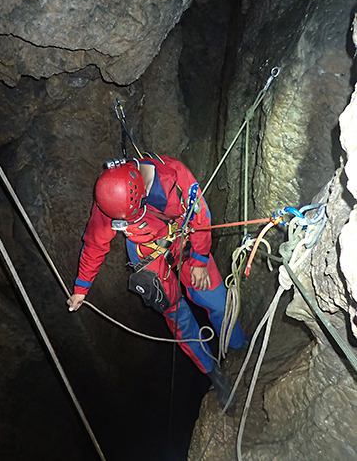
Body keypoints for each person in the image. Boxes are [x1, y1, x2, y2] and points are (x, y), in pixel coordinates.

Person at [68, 154, 246, 413]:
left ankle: (238, 343)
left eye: (128, 219)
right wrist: (81, 290)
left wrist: (198, 260)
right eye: (122, 223)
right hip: (146, 252)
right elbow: (95, 244)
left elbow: (200, 216)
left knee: (214, 297)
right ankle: (214, 374)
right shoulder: (110, 200)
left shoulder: (172, 175)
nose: (125, 224)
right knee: (177, 317)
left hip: (182, 235)